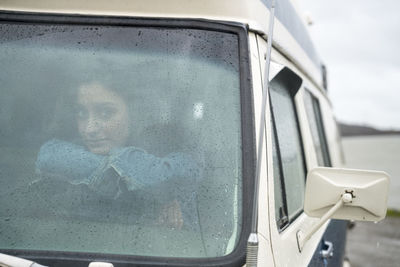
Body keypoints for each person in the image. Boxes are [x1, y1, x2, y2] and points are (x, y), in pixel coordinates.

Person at [35, 80, 201, 229]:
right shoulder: (61, 152)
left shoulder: (182, 160)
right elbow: (48, 156)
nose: (89, 129)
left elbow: (175, 172)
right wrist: (151, 188)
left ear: (135, 114)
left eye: (106, 113)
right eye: (82, 113)